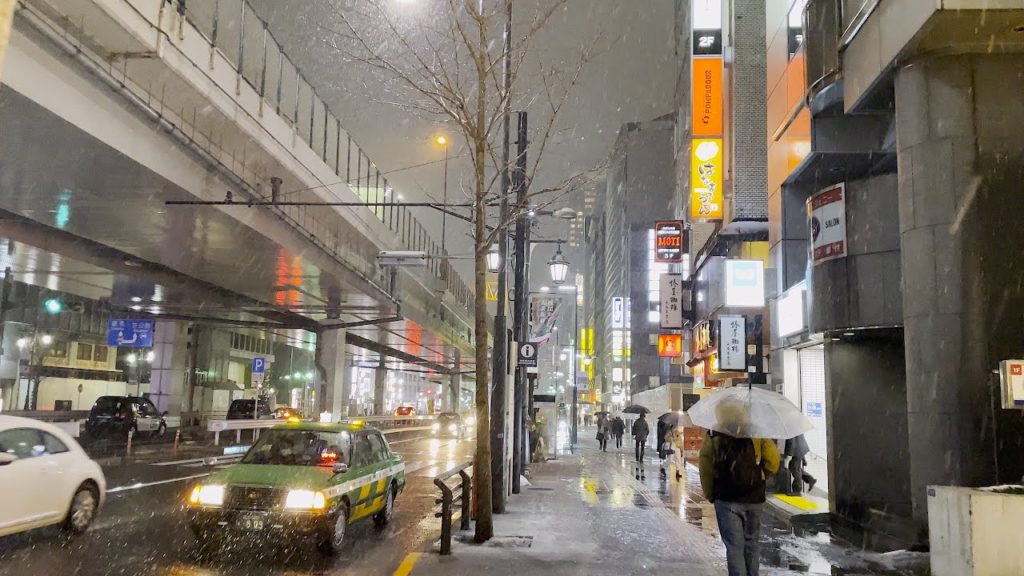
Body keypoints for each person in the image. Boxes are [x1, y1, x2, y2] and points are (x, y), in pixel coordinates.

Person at [698, 402, 780, 576]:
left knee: (734, 547)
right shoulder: (756, 431)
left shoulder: (714, 433)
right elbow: (773, 461)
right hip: (754, 497)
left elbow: (706, 467)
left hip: (726, 498)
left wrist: (710, 493)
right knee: (752, 544)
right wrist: (759, 476)